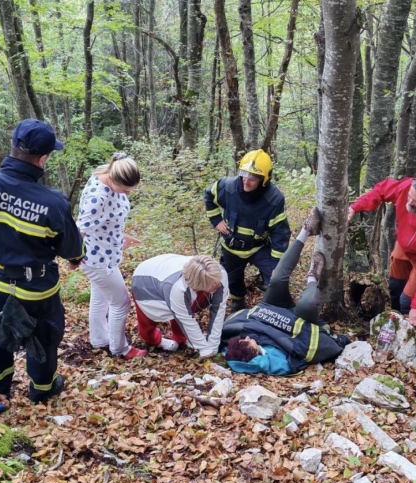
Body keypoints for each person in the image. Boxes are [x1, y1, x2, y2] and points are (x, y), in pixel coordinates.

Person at [0, 119, 84, 403]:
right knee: (44, 335)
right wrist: (76, 257)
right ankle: (42, 388)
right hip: (35, 286)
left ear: (12, 146)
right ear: (43, 158)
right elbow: (70, 247)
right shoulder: (53, 201)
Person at [221, 208, 348, 375]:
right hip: (298, 318)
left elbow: (229, 339)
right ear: (253, 355)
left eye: (245, 339)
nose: (248, 338)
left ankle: (306, 230)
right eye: (247, 343)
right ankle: (312, 276)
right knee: (307, 305)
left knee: (277, 278)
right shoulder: (275, 361)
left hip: (272, 307)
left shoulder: (235, 347)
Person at [348, 174, 416, 327]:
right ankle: (393, 322)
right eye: (409, 197)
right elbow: (381, 191)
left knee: (408, 300)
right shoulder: (407, 187)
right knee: (395, 287)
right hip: (405, 246)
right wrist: (354, 207)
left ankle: (407, 329)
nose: (409, 202)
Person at [75, 153, 146, 360]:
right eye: (124, 190)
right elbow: (79, 230)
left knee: (101, 298)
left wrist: (121, 237)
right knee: (121, 302)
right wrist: (73, 257)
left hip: (107, 253)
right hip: (98, 260)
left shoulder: (107, 177)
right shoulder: (98, 197)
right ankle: (120, 349)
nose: (127, 194)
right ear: (113, 179)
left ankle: (99, 340)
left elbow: (105, 221)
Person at [204, 149, 291, 313]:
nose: (246, 180)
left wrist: (276, 264)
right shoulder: (228, 187)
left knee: (276, 277)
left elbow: (280, 232)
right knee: (232, 277)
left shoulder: (273, 198)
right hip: (232, 247)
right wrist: (216, 220)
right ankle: (238, 303)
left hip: (259, 247)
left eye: (253, 177)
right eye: (244, 174)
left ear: (264, 179)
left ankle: (275, 306)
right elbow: (209, 195)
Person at [131, 254, 228, 359]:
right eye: (213, 284)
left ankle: (180, 338)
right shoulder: (177, 287)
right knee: (147, 325)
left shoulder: (219, 274)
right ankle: (155, 340)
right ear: (198, 285)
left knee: (187, 307)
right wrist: (204, 349)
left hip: (167, 272)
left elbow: (219, 310)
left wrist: (212, 347)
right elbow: (185, 319)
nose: (218, 285)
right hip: (145, 283)